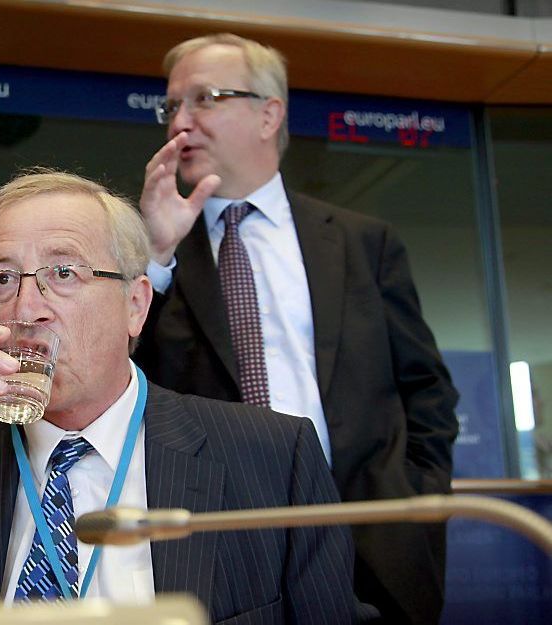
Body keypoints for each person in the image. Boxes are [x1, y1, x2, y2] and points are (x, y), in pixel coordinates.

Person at [0, 170, 354, 625]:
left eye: (65, 273)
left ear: (135, 305)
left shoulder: (273, 457)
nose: (27, 310)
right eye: (3, 278)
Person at [132, 33, 460, 624]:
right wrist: (154, 254)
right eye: (171, 107)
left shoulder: (362, 241)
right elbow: (119, 383)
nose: (180, 123)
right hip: (221, 545)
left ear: (268, 113)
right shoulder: (154, 251)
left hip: (373, 539)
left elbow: (427, 389)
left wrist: (417, 496)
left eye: (203, 99)